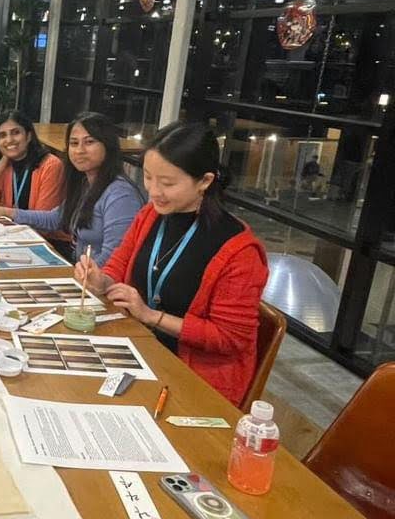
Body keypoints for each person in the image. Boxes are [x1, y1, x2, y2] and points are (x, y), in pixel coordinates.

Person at [75, 122, 269, 404]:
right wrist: (102, 280)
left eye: (168, 183)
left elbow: (229, 339)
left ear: (204, 181)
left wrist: (151, 316)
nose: (154, 191)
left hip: (194, 378)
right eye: (149, 178)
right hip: (140, 348)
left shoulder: (239, 250)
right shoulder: (151, 215)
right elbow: (121, 262)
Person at [0, 112, 143, 265]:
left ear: (108, 146)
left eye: (89, 142)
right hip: (78, 270)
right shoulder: (86, 183)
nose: (79, 150)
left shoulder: (121, 195)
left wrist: (81, 278)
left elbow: (115, 258)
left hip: (96, 285)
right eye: (74, 143)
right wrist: (6, 212)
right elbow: (56, 218)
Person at [0, 109, 64, 210]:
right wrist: (4, 159)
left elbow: (44, 217)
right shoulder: (4, 165)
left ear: (28, 136)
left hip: (33, 225)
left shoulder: (51, 165)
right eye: (2, 135)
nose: (9, 140)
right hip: (9, 224)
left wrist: (9, 214)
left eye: (16, 133)